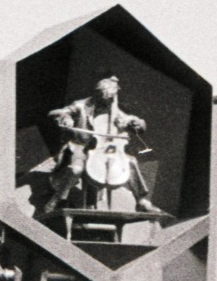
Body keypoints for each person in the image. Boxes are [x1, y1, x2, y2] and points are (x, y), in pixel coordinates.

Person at [46, 76, 155, 215]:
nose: (108, 105)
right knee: (76, 170)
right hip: (81, 148)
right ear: (97, 95)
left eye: (111, 101)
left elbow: (131, 125)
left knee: (131, 161)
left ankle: (141, 201)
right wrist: (66, 118)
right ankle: (58, 198)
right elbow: (56, 112)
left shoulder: (112, 109)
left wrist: (137, 123)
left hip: (103, 151)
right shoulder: (80, 105)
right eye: (105, 101)